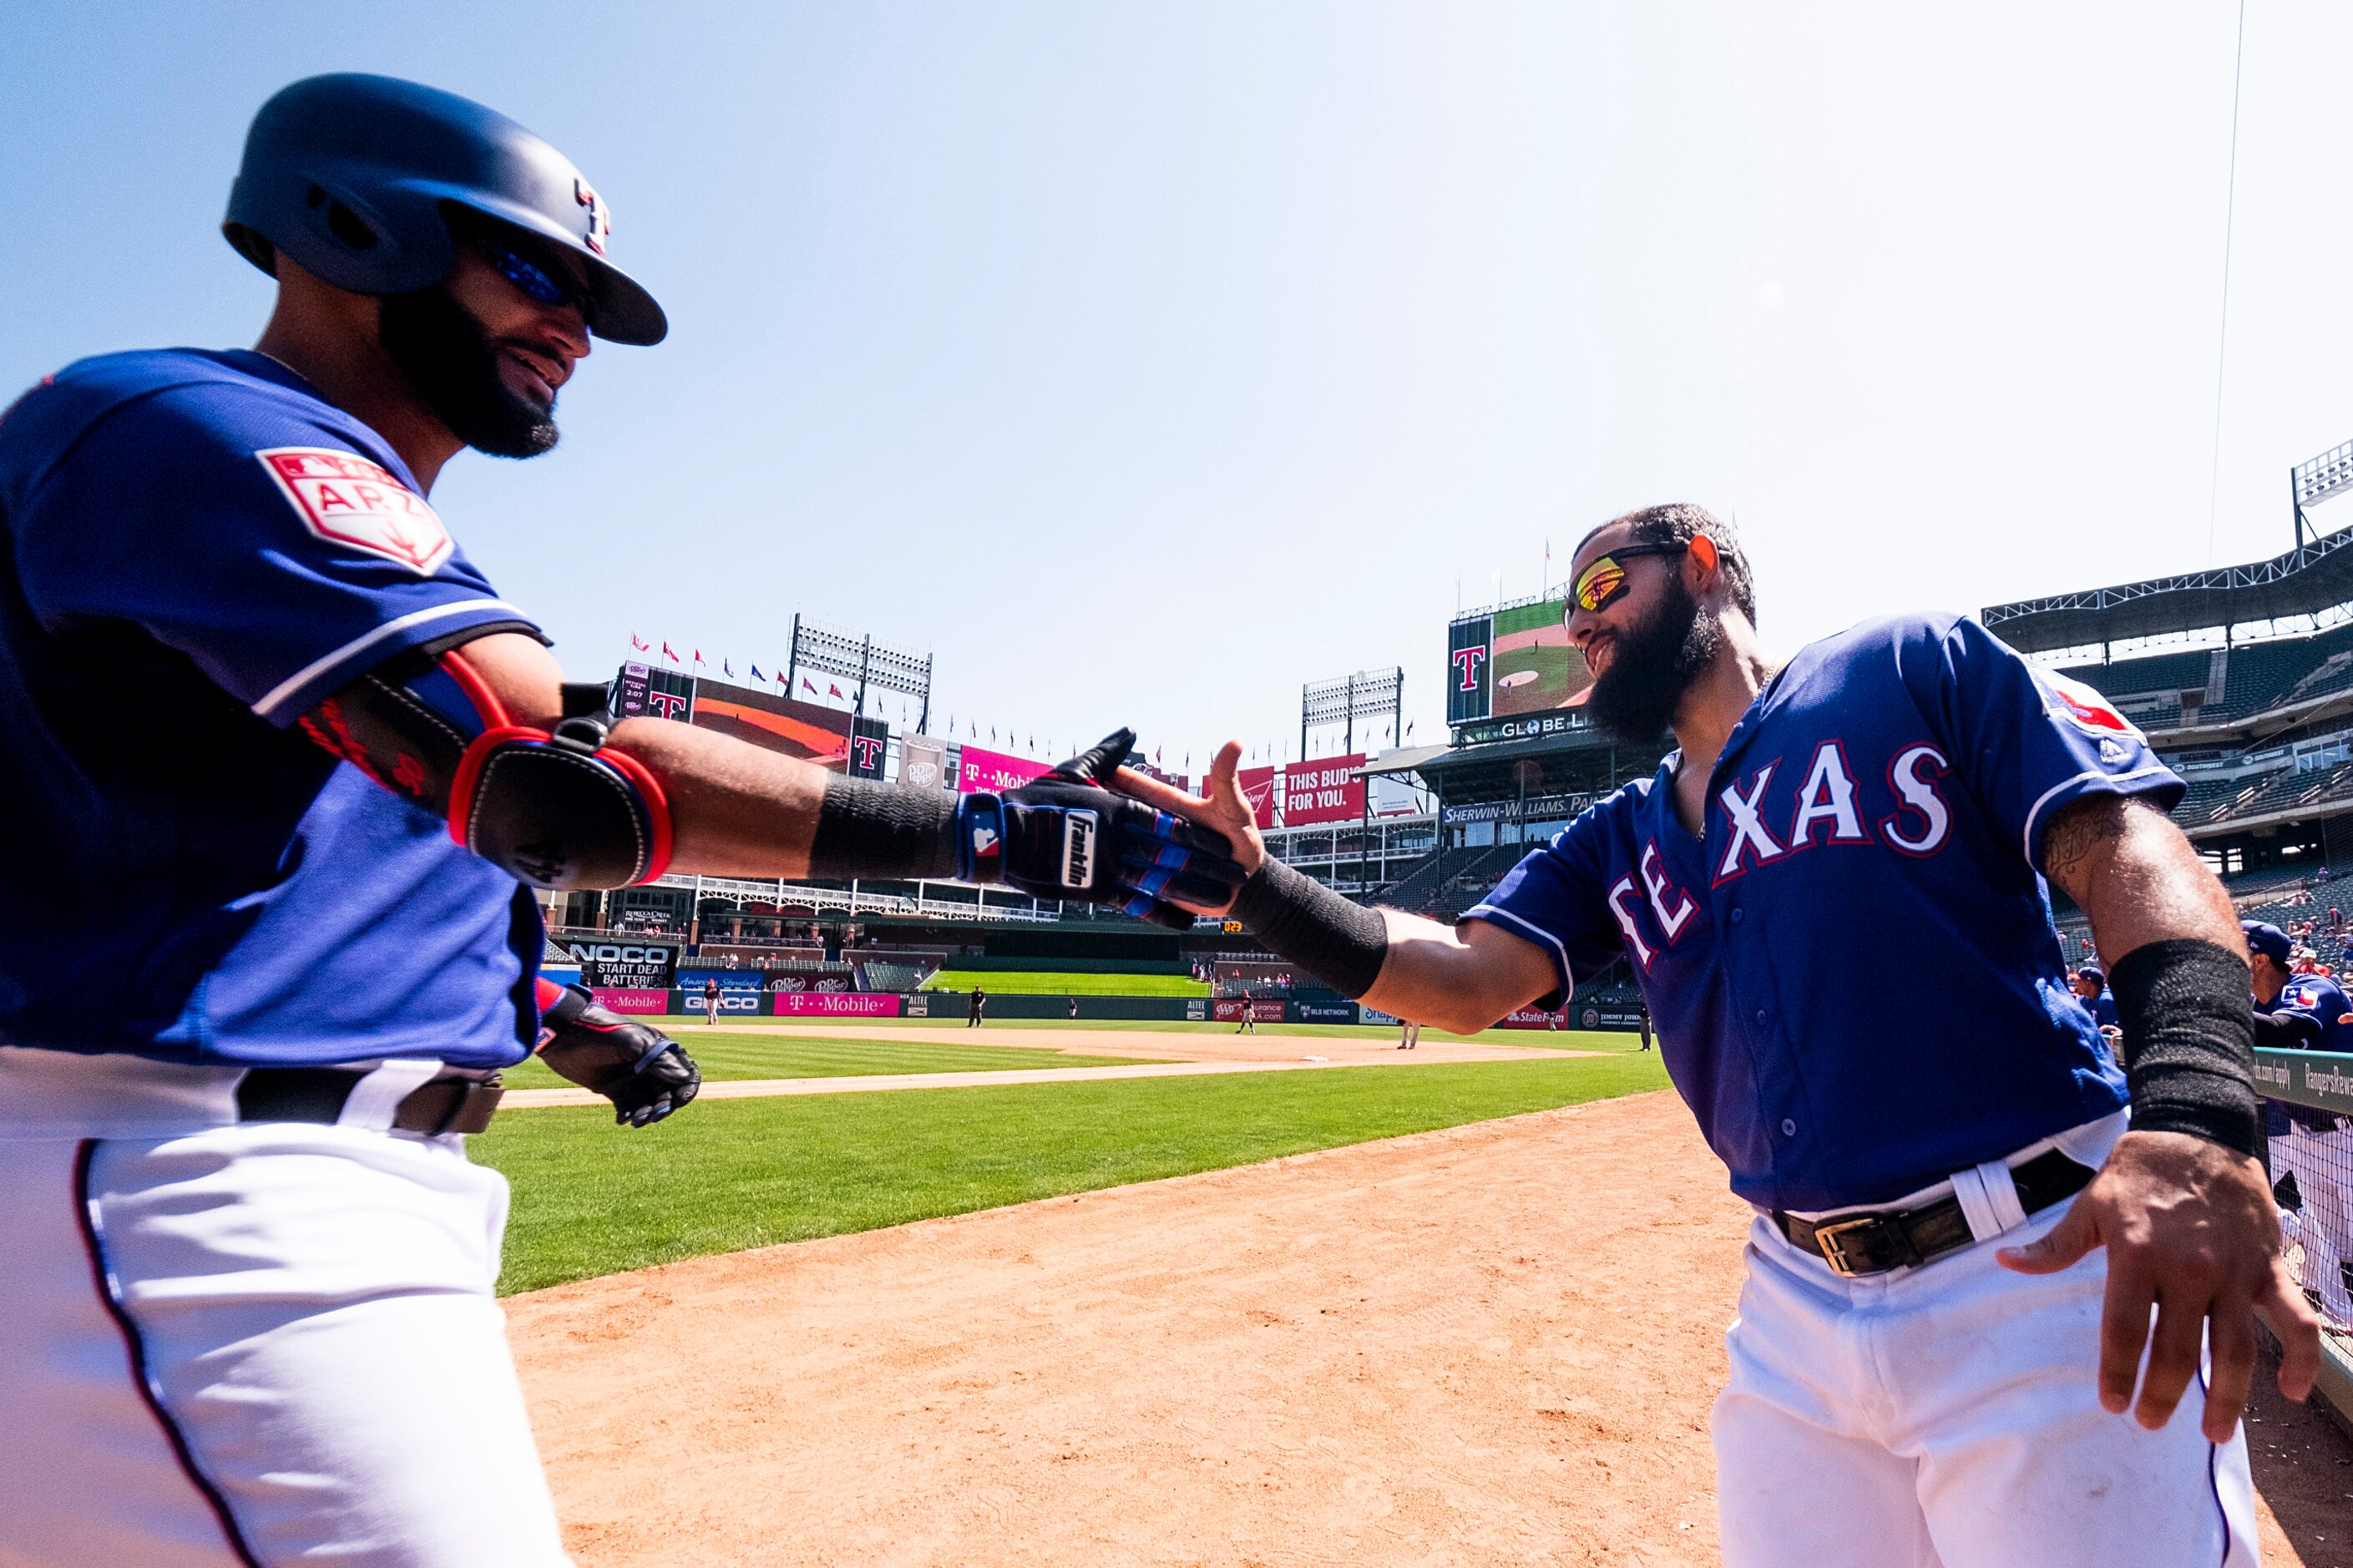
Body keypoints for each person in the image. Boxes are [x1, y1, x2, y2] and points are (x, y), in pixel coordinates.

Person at [0, 73, 1237, 1567]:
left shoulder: (299, 523)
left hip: (248, 1182)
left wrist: (562, 1016)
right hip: (192, 1195)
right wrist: (1024, 836)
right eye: (536, 268)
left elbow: (317, 864)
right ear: (349, 221)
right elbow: (558, 789)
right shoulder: (194, 425)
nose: (575, 328)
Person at [1120, 503, 2320, 1567]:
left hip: (2032, 1265)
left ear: (1703, 563)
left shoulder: (1904, 664)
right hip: (1796, 1311)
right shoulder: (1618, 832)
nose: (1580, 632)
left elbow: (2123, 845)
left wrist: (2198, 1112)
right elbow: (1465, 978)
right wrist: (1259, 889)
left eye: (1601, 589)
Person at [2070, 964, 2120, 1035]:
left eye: (2079, 981)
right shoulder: (2083, 999)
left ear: (2088, 983)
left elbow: (2115, 1034)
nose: (2076, 984)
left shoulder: (2106, 1001)